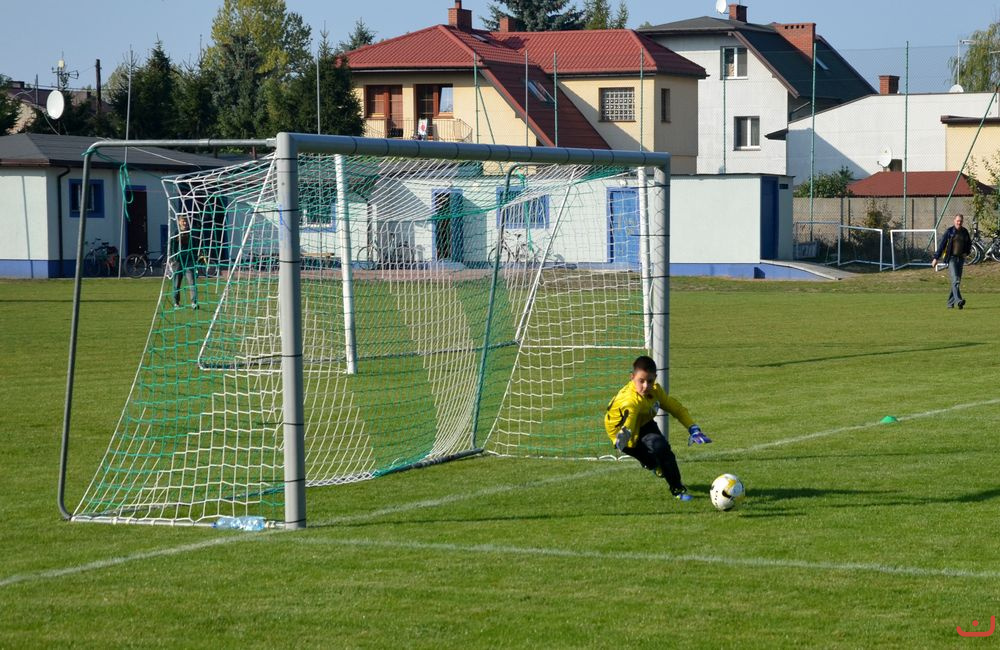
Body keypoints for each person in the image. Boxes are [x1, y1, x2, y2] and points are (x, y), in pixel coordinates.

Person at [603, 355, 711, 501]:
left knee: (662, 449)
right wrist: (623, 438)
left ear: (655, 378)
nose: (646, 386)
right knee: (652, 462)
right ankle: (652, 464)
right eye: (641, 381)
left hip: (643, 422)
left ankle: (677, 489)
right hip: (622, 435)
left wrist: (693, 428)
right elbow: (629, 424)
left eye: (650, 381)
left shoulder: (655, 390)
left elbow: (676, 408)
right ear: (632, 377)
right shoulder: (630, 401)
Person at [930, 213, 972, 309]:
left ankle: (950, 303)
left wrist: (967, 252)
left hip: (960, 259)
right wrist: (936, 258)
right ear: (954, 221)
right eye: (957, 221)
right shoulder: (950, 232)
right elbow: (942, 245)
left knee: (956, 281)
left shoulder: (965, 232)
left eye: (961, 221)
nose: (959, 223)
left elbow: (969, 244)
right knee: (955, 279)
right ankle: (959, 301)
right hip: (951, 258)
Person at [171, 214, 199, 310]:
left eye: (186, 221)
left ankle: (194, 302)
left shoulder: (191, 233)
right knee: (177, 282)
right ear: (179, 222)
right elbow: (172, 247)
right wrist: (173, 259)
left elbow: (195, 246)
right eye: (183, 221)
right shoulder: (175, 233)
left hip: (189, 261)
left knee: (192, 282)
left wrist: (195, 257)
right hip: (178, 261)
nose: (185, 223)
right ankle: (176, 303)